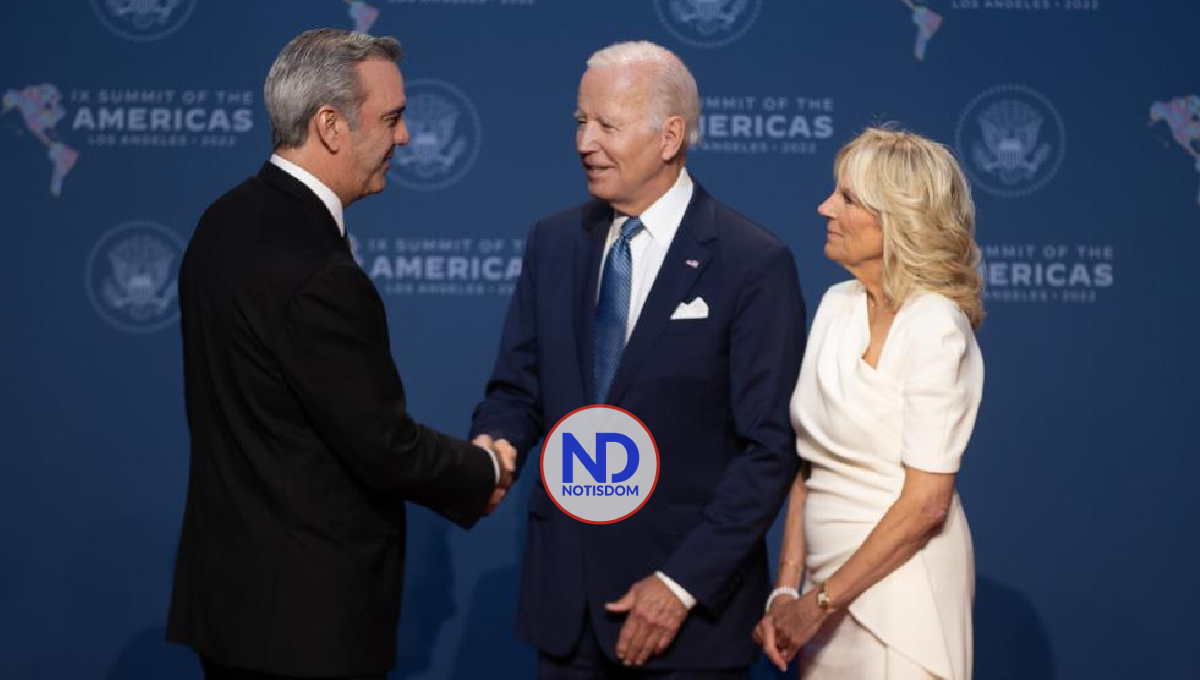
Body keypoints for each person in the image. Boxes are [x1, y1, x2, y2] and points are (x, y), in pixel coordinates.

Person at [166, 28, 514, 680]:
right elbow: (382, 445)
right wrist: (482, 471)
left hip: (234, 606)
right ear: (330, 125)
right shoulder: (317, 269)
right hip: (305, 624)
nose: (404, 138)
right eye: (392, 118)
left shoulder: (223, 221)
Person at [471, 41, 806, 678]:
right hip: (566, 613)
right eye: (579, 122)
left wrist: (680, 584)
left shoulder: (751, 263)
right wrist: (492, 451)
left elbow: (768, 449)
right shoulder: (554, 242)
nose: (584, 143)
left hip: (685, 624)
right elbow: (516, 389)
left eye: (607, 125)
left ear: (669, 136)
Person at [754, 127, 984, 679]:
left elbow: (928, 503)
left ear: (897, 219)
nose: (825, 207)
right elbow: (808, 463)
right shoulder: (836, 306)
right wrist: (788, 587)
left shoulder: (935, 325)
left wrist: (820, 602)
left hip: (904, 587)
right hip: (822, 593)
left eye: (848, 199)